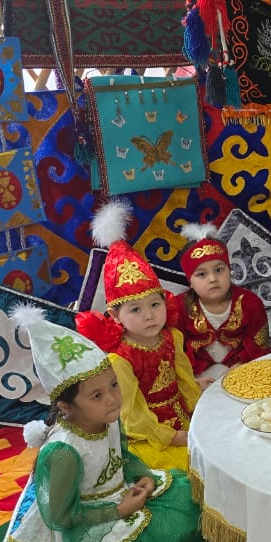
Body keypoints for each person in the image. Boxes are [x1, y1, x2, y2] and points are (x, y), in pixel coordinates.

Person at [6, 306, 201, 542]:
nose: (112, 399)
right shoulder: (63, 452)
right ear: (66, 407)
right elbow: (61, 517)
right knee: (168, 535)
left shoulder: (107, 417)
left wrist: (144, 476)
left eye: (113, 385)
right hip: (87, 521)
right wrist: (119, 511)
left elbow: (123, 456)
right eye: (96, 395)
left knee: (192, 496)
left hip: (121, 492)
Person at [75, 199, 201, 471]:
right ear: (115, 315)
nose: (149, 316)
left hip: (183, 419)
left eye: (155, 304)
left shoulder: (172, 337)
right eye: (136, 309)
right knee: (186, 467)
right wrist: (172, 437)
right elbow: (131, 414)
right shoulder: (120, 360)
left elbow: (186, 382)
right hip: (149, 433)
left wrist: (200, 413)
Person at [169, 223, 271, 387]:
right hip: (197, 378)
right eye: (202, 274)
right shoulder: (178, 307)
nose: (213, 279)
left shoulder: (250, 303)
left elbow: (260, 344)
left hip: (243, 370)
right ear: (190, 281)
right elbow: (173, 352)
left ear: (229, 270)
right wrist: (192, 382)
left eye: (219, 270)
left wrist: (240, 368)